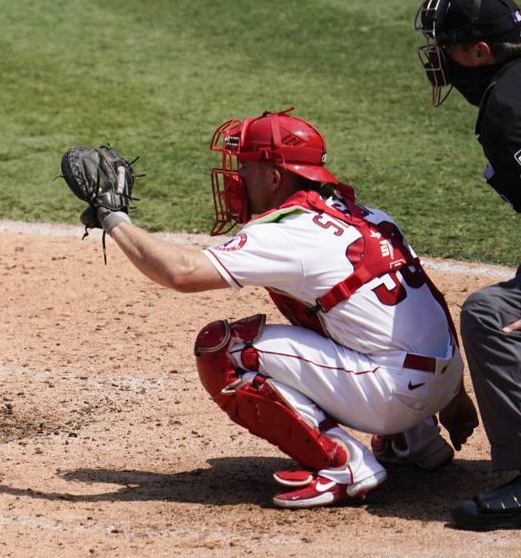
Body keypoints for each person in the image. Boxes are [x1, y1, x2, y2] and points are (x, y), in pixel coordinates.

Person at [69, 110, 464, 508]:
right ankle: (416, 442)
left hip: (391, 396)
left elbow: (181, 273)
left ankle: (344, 465)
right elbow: (430, 300)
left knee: (223, 349)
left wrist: (113, 217)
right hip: (439, 382)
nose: (236, 179)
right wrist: (455, 394)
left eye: (245, 168)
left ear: (274, 177)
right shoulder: (368, 215)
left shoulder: (286, 235)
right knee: (338, 313)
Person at [415, 0, 521, 529]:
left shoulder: (509, 108)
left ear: (480, 52)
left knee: (493, 316)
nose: (438, 60)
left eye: (447, 47)